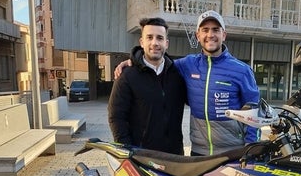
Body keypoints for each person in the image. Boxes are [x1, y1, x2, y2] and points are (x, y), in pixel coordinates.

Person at [115, 10, 260, 156]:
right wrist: (134, 61)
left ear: (224, 34)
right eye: (205, 30)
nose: (210, 35)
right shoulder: (187, 65)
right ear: (198, 36)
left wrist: (251, 148)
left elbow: (254, 112)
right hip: (198, 153)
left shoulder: (242, 70)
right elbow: (158, 63)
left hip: (232, 152)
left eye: (216, 30)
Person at [108, 17, 187, 154]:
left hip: (174, 158)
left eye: (160, 38)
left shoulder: (177, 74)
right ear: (142, 42)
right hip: (141, 157)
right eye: (149, 37)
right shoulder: (127, 76)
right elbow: (116, 117)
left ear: (166, 43)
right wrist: (127, 152)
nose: (154, 43)